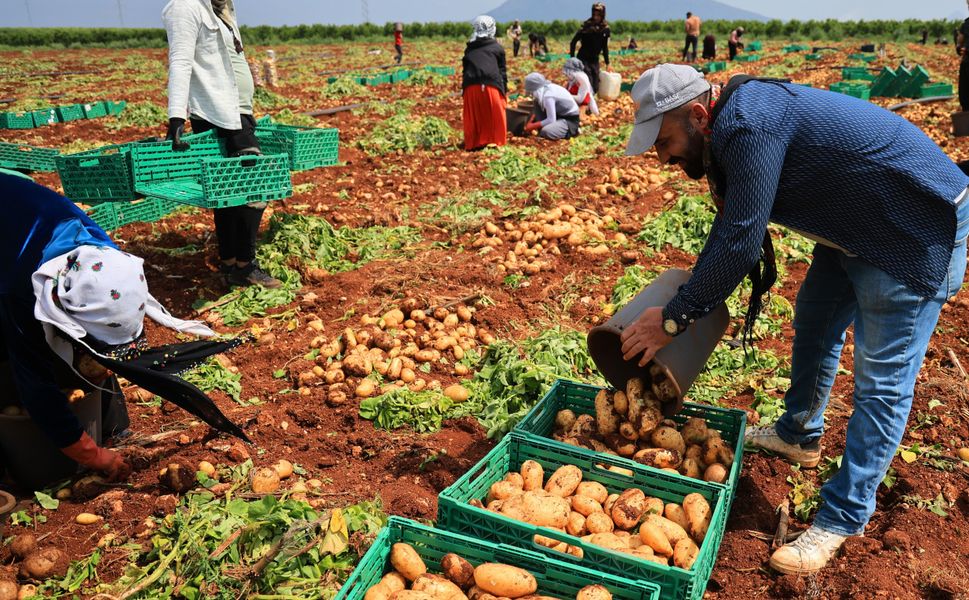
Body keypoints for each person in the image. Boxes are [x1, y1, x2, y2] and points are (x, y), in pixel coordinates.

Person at [621, 64, 969, 575]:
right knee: (815, 320)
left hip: (911, 229)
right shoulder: (727, 124)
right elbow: (732, 226)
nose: (663, 155)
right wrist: (683, 303)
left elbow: (741, 241)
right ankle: (799, 433)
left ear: (699, 114)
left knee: (882, 382)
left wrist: (674, 320)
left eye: (666, 140)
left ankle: (843, 518)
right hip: (855, 220)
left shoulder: (747, 124)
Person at [0, 174, 250, 488]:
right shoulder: (20, 292)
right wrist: (94, 456)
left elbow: (109, 329)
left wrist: (104, 362)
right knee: (11, 358)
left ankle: (114, 426)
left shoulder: (104, 259)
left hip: (17, 219)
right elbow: (36, 387)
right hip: (10, 256)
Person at [163, 0, 281, 290]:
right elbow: (180, 60)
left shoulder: (222, 7)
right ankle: (246, 267)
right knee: (256, 186)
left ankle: (229, 263)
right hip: (221, 113)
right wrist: (176, 116)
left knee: (227, 192)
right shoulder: (184, 7)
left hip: (238, 110)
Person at [462, 16, 508, 151]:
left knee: (475, 116)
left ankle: (474, 143)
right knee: (495, 116)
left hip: (470, 86)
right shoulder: (496, 47)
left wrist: (463, 90)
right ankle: (495, 142)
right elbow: (502, 72)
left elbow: (465, 71)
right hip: (490, 85)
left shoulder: (469, 48)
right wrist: (503, 91)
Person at [523, 73, 581, 140]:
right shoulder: (544, 90)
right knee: (536, 102)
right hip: (558, 115)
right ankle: (549, 129)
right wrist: (531, 120)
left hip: (569, 120)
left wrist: (533, 126)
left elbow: (551, 119)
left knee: (546, 132)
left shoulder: (548, 96)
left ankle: (572, 131)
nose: (531, 94)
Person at [569, 3, 610, 93]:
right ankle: (587, 104)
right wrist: (572, 58)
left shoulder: (605, 29)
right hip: (583, 58)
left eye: (598, 15)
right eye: (594, 14)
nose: (596, 17)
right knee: (588, 82)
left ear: (602, 15)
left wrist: (607, 63)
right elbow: (573, 42)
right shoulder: (586, 27)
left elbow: (604, 47)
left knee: (595, 86)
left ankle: (589, 101)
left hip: (594, 59)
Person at [958, 11, 969, 111]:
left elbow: (960, 39)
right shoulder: (966, 24)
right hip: (966, 62)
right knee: (964, 97)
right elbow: (960, 39)